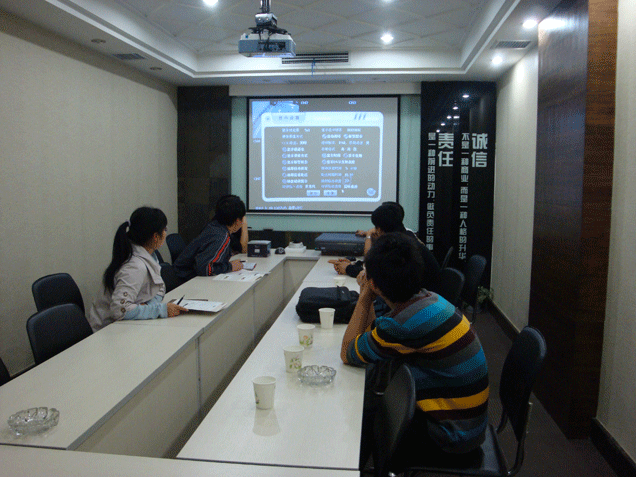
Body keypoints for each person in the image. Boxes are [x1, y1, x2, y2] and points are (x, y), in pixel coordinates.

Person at [341, 233, 489, 462]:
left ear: (374, 283)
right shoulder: (428, 299)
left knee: (365, 413)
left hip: (452, 435)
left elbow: (347, 353)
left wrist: (364, 297)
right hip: (468, 422)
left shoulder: (403, 324)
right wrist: (369, 295)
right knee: (371, 392)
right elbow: (370, 336)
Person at [88, 207, 188, 331]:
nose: (165, 233)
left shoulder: (149, 256)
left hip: (128, 326)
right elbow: (120, 310)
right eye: (164, 229)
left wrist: (147, 307)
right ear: (155, 236)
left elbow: (159, 289)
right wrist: (160, 310)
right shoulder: (134, 267)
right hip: (108, 331)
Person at [329, 203, 441, 290]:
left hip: (421, 300)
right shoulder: (406, 236)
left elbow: (377, 275)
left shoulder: (397, 246)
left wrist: (348, 268)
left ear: (379, 229)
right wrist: (353, 265)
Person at [173, 195, 247, 281]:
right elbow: (205, 269)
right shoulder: (221, 237)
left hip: (182, 274)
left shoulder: (214, 226)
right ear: (237, 221)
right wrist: (230, 266)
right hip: (185, 280)